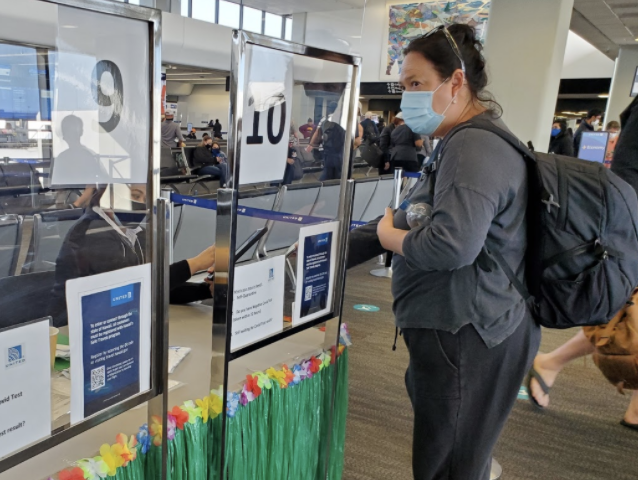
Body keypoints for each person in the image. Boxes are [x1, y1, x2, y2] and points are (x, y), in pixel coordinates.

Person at [347, 24, 539, 480]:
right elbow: (424, 218)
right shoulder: (460, 141)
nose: (407, 97)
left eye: (417, 84)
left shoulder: (473, 144)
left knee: (446, 465)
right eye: (404, 86)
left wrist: (392, 239)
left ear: (456, 82)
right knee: (456, 451)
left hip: (467, 332)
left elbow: (450, 245)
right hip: (465, 326)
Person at [528, 97, 638, 430]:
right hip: (632, 224)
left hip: (630, 221)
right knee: (624, 314)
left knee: (627, 315)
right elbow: (628, 174)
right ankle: (550, 362)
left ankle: (551, 362)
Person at [49, 187, 215, 327]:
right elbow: (131, 291)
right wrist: (195, 264)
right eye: (135, 196)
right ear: (110, 196)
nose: (141, 203)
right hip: (81, 328)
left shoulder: (138, 234)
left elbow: (158, 290)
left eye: (145, 197)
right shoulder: (91, 233)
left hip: (119, 323)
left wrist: (205, 291)